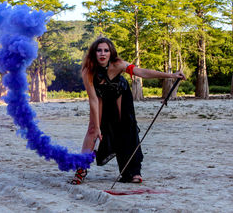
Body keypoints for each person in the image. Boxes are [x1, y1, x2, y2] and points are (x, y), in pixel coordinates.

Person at [70, 37, 186, 185]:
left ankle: (132, 172)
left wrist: (171, 75)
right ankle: (82, 169)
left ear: (111, 53)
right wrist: (98, 127)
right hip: (100, 97)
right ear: (94, 53)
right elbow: (92, 99)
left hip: (120, 93)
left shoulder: (118, 64)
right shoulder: (88, 71)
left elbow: (141, 72)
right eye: (99, 50)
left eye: (106, 50)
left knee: (125, 128)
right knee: (93, 129)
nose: (102, 54)